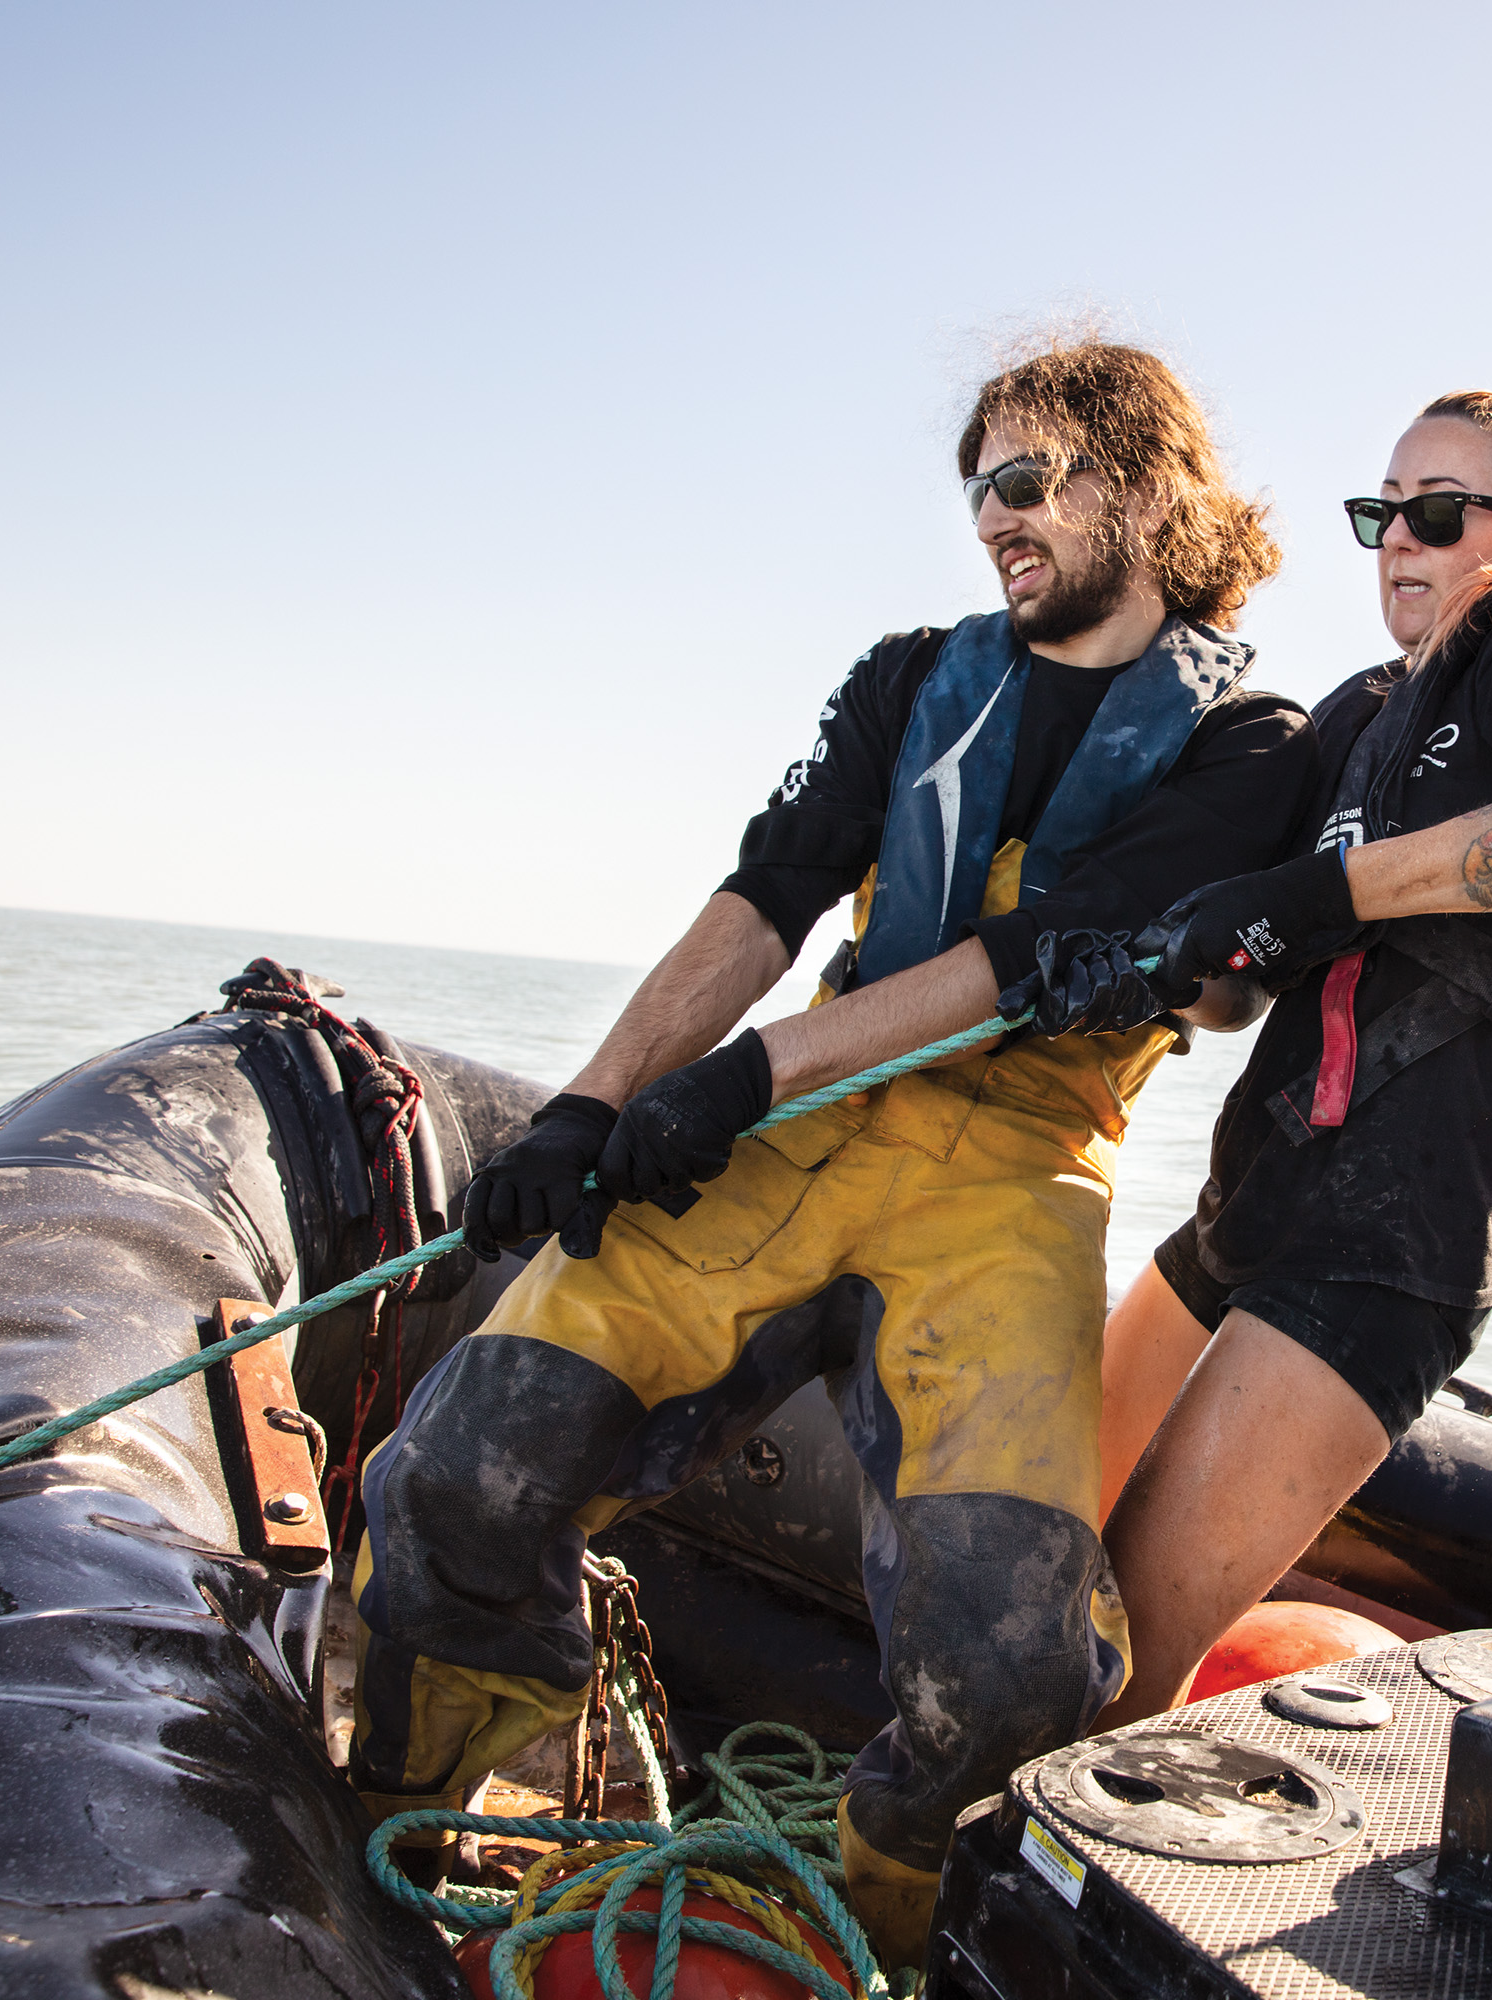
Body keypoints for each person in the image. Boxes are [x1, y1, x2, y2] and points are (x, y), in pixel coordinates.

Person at [346, 339, 1323, 1963]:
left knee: (1008, 1668)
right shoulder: (903, 680)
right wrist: (599, 1098)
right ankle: (400, 1829)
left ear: (1146, 490)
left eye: (1028, 480)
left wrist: (736, 1078)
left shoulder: (1256, 746)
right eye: (978, 490)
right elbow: (768, 898)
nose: (995, 520)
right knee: (459, 1470)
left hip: (1014, 1175)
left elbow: (1030, 962)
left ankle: (887, 1930)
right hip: (803, 1127)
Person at [1072, 390, 1492, 1729]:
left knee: (1108, 1660)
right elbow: (1238, 993)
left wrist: (1328, 896)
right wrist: (1190, 955)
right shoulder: (1356, 711)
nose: (1399, 538)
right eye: (1381, 512)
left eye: (1438, 512)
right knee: (1038, 1553)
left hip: (1390, 1239)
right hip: (1251, 1204)